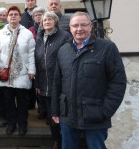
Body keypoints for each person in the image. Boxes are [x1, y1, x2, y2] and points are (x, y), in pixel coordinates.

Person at [51, 12, 127, 149]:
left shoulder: (107, 48)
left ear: (90, 26)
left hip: (95, 116)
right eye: (75, 25)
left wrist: (105, 111)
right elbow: (57, 83)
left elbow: (118, 82)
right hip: (68, 115)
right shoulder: (63, 50)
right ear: (70, 27)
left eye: (83, 25)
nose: (79, 29)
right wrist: (56, 110)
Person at [0, 6, 35, 136]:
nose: (13, 16)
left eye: (16, 14)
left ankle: (22, 124)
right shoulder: (1, 33)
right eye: (11, 14)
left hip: (22, 73)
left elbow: (31, 53)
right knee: (8, 102)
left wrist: (32, 70)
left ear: (20, 17)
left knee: (22, 102)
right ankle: (11, 124)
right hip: (6, 74)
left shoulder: (27, 33)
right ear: (7, 17)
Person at [34, 11, 71, 149]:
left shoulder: (64, 37)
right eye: (44, 20)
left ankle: (67, 140)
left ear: (55, 21)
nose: (46, 22)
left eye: (49, 19)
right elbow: (37, 62)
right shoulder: (40, 39)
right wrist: (37, 83)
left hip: (62, 84)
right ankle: (56, 140)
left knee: (64, 114)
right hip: (45, 84)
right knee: (51, 115)